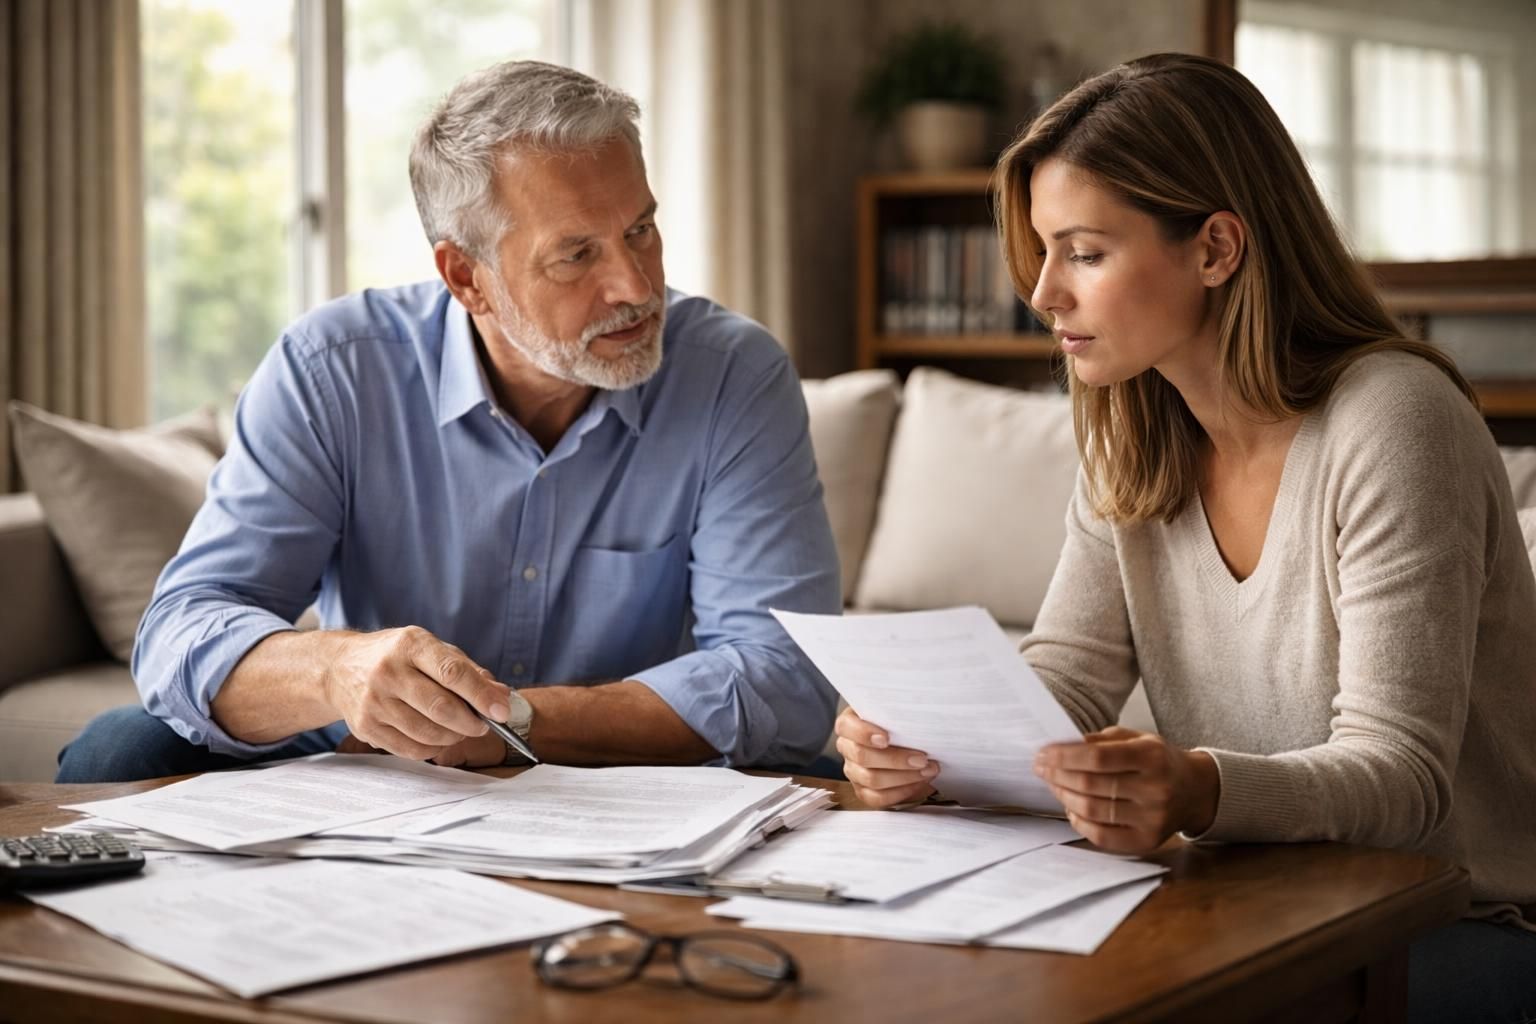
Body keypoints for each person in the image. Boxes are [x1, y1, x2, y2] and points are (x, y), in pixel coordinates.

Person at [834, 53, 1536, 1021]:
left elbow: (1401, 774)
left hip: (1454, 919)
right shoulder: (1134, 425)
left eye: (1082, 251)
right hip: (1247, 893)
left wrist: (1198, 788)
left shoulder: (1394, 419)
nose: (1041, 294)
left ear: (1216, 248)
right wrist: (917, 741)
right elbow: (1069, 680)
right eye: (1042, 252)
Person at [57, 60, 841, 783]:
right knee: (117, 749)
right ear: (467, 276)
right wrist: (340, 671)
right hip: (376, 762)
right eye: (576, 255)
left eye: (640, 229)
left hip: (615, 774)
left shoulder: (735, 374)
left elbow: (783, 672)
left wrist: (512, 726)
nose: (634, 284)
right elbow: (182, 629)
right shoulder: (334, 369)